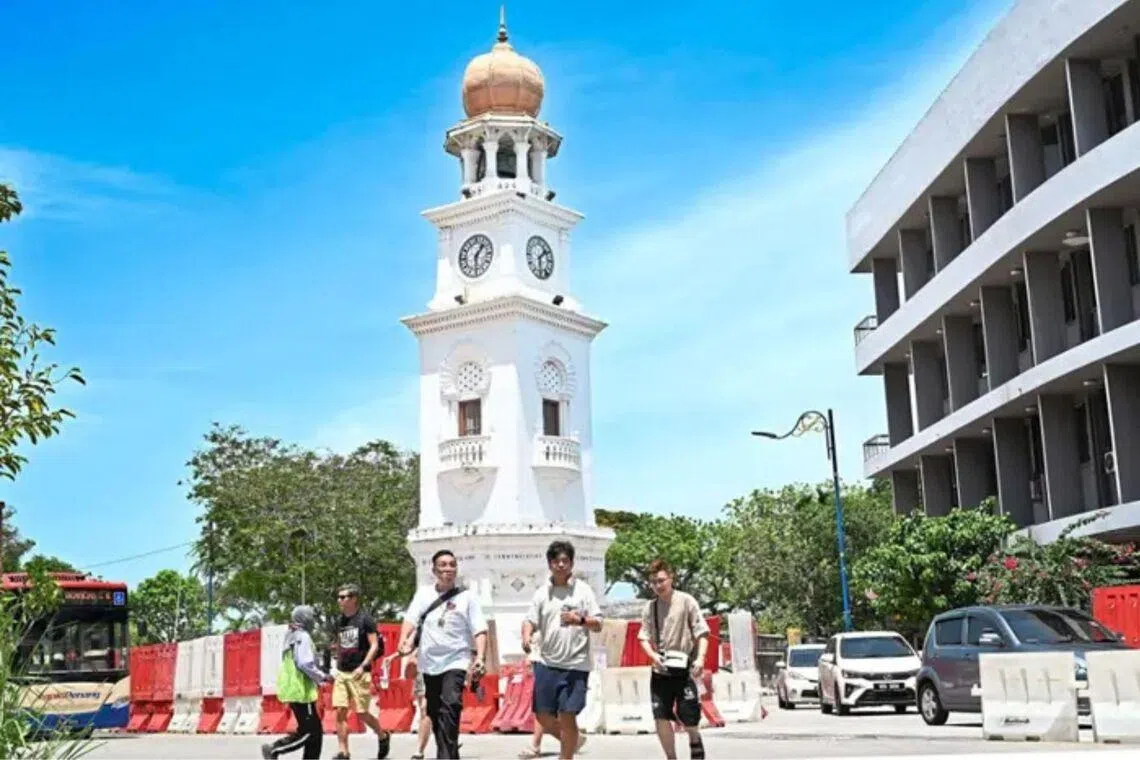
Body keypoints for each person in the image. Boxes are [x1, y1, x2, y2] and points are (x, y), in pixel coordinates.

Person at [398, 549, 488, 759]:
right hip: (429, 663)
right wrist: (403, 640)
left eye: (452, 565)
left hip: (456, 660)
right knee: (435, 711)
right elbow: (410, 620)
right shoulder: (423, 594)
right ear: (434, 570)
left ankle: (446, 756)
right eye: (443, 565)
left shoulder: (467, 597)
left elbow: (480, 629)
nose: (448, 569)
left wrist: (480, 658)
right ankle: (449, 753)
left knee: (451, 704)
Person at [521, 540, 600, 760]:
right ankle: (574, 739)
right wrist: (526, 636)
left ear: (572, 563)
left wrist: (580, 620)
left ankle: (566, 756)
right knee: (544, 717)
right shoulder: (541, 593)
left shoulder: (584, 591)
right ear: (550, 564)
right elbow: (529, 620)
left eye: (565, 560)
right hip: (547, 662)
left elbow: (598, 623)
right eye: (556, 561)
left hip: (576, 664)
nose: (561, 565)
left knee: (567, 715)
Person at [639, 559, 710, 760]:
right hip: (661, 670)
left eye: (661, 580)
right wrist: (653, 655)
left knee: (689, 715)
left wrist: (700, 659)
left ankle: (694, 738)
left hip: (684, 668)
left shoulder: (686, 601)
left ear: (671, 579)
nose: (658, 585)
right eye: (653, 582)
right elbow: (643, 637)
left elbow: (702, 633)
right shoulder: (650, 608)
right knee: (660, 715)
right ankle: (671, 757)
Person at [261, 605, 332, 760]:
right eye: (311, 617)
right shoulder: (302, 636)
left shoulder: (290, 635)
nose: (313, 621)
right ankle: (275, 748)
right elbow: (304, 663)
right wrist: (323, 676)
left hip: (294, 688)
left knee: (315, 732)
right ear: (305, 618)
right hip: (301, 690)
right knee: (309, 732)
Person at [330, 583, 391, 760]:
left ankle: (382, 735)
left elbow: (374, 645)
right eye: (339, 597)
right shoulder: (340, 621)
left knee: (361, 713)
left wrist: (363, 666)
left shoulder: (365, 619)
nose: (339, 600)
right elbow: (339, 644)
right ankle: (343, 752)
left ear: (354, 599)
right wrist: (335, 660)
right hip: (342, 672)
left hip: (359, 672)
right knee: (340, 711)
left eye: (343, 597)